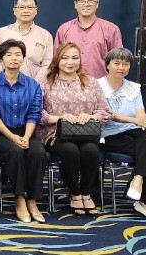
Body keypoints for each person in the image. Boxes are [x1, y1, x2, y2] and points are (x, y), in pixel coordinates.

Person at [37, 42, 113, 216]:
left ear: (80, 60)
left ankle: (86, 192)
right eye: (65, 58)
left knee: (91, 151)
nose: (70, 62)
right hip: (55, 134)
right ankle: (75, 193)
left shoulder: (91, 82)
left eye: (74, 58)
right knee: (70, 150)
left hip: (85, 133)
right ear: (57, 60)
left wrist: (91, 116)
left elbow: (106, 112)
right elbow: (36, 113)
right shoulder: (45, 82)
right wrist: (60, 118)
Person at [98, 48, 146, 223]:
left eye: (125, 64)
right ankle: (145, 202)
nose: (121, 67)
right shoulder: (97, 86)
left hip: (133, 133)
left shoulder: (134, 88)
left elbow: (141, 114)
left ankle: (138, 178)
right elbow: (107, 114)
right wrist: (137, 121)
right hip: (108, 135)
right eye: (117, 63)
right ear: (108, 65)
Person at [0, 39, 47, 223]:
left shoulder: (33, 85)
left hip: (25, 130)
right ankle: (19, 199)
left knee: (38, 152)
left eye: (18, 54)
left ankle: (33, 200)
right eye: (9, 55)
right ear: (1, 59)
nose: (14, 58)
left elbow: (34, 114)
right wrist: (13, 137)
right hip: (0, 132)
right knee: (15, 151)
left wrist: (26, 136)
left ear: (23, 58)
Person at [54, 0, 123, 78]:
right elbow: (56, 59)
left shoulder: (111, 29)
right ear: (75, 4)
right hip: (70, 86)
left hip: (100, 86)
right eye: (82, 1)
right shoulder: (64, 29)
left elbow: (118, 61)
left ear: (97, 4)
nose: (86, 4)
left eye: (90, 1)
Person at [0, 0, 53, 78]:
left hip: (36, 87)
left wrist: (33, 85)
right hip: (5, 86)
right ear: (14, 11)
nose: (26, 11)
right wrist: (6, 81)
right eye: (21, 7)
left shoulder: (45, 35)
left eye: (30, 7)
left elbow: (48, 64)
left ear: (36, 10)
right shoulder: (1, 33)